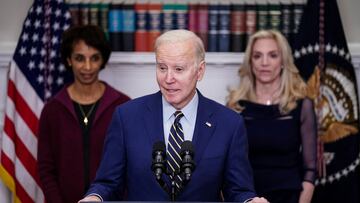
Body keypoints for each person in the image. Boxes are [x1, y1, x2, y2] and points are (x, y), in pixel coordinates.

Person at [79, 29, 268, 203]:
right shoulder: (126, 117)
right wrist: (94, 198)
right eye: (162, 68)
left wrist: (249, 201)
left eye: (178, 69)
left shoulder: (229, 124)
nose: (168, 79)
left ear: (199, 71)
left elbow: (238, 190)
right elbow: (108, 183)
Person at [37, 25, 131, 203]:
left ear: (102, 60)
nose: (87, 67)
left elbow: (130, 165)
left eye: (94, 58)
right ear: (69, 59)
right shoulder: (52, 110)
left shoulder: (123, 105)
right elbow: (45, 168)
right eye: (80, 58)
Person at [227, 30, 317, 203]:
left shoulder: (301, 105)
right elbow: (227, 168)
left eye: (273, 55)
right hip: (247, 198)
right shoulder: (235, 106)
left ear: (283, 61)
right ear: (250, 62)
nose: (264, 63)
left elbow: (310, 169)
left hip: (290, 196)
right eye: (257, 56)